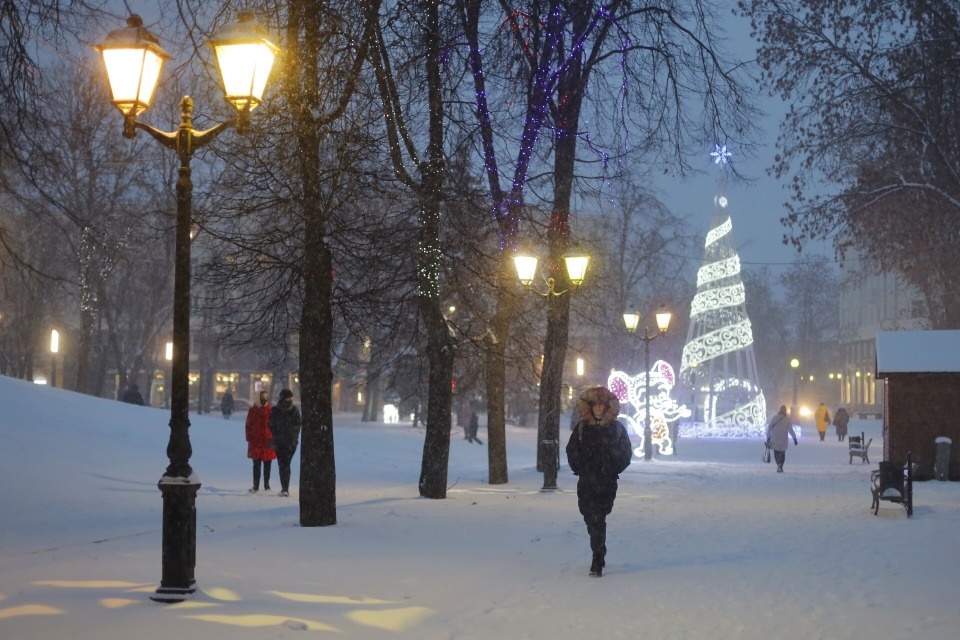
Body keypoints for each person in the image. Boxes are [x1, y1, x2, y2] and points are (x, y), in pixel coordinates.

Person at [565, 385, 633, 577]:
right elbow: (572, 450)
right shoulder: (581, 428)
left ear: (606, 406)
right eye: (595, 405)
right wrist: (579, 467)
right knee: (589, 516)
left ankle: (597, 556)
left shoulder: (617, 429)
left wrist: (612, 467)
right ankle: (598, 552)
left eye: (601, 405)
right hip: (586, 479)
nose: (598, 408)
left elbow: (626, 453)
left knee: (599, 516)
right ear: (590, 406)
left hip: (606, 480)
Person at [269, 388, 301, 497]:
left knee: (285, 464)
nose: (289, 400)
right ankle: (284, 488)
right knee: (282, 465)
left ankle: (285, 488)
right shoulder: (275, 410)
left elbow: (298, 426)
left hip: (289, 443)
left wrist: (292, 438)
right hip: (279, 443)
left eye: (290, 398)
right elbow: (271, 425)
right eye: (287, 398)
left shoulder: (294, 410)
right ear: (282, 398)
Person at [245, 390, 275, 493]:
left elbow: (275, 426)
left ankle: (267, 486)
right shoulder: (252, 411)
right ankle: (256, 486)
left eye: (266, 396)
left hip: (268, 442)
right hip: (256, 442)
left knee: (267, 465)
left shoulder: (270, 410)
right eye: (262, 397)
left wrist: (273, 438)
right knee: (256, 465)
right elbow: (248, 426)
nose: (264, 399)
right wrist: (250, 438)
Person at [766, 404, 799, 473]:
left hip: (775, 438)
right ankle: (781, 465)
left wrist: (768, 437)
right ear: (786, 411)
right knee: (782, 453)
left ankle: (778, 464)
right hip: (783, 439)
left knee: (776, 452)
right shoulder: (787, 419)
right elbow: (791, 430)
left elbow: (769, 428)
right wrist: (794, 439)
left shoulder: (774, 417)